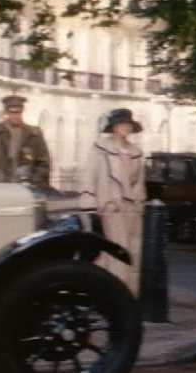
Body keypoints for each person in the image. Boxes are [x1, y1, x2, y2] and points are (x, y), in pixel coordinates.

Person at [79, 108, 146, 295]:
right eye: (121, 124)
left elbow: (139, 183)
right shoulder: (100, 148)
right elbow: (89, 175)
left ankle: (127, 295)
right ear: (114, 127)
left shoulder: (136, 152)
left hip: (131, 210)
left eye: (128, 125)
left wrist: (139, 204)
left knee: (131, 252)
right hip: (108, 208)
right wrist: (90, 203)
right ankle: (110, 294)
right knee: (112, 252)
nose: (125, 128)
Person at [0, 94, 51, 187]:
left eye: (18, 112)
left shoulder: (34, 134)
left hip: (26, 189)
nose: (15, 116)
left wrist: (34, 182)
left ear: (22, 112)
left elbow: (43, 163)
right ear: (6, 112)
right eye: (12, 112)